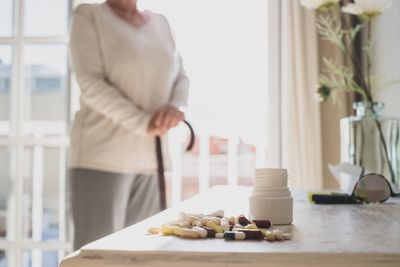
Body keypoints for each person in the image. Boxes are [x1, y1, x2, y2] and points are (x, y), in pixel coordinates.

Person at [69, 0, 189, 250]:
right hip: (101, 158)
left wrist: (175, 108)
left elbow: (180, 76)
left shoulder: (161, 22)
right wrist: (145, 123)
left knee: (142, 255)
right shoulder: (89, 15)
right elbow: (91, 84)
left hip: (150, 161)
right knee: (96, 258)